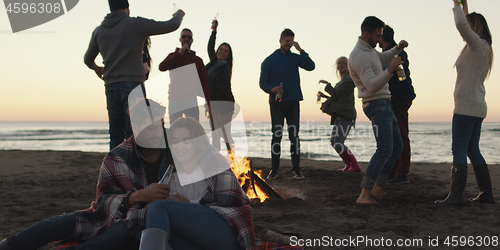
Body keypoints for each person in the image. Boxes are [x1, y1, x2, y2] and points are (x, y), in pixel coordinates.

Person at [0, 99, 170, 250]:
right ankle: (11, 245)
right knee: (63, 222)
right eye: (150, 128)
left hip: (145, 223)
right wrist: (137, 197)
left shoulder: (176, 151)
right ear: (135, 127)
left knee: (127, 229)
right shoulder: (117, 156)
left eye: (159, 126)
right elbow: (103, 201)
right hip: (112, 216)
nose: (157, 133)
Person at [138, 117, 254, 250]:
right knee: (149, 230)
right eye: (175, 141)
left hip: (226, 233)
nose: (180, 146)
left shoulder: (212, 161)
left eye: (186, 141)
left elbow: (231, 198)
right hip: (198, 239)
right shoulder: (171, 175)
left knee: (158, 208)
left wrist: (189, 206)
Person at [84, 0, 184, 150]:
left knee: (115, 135)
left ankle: (115, 170)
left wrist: (97, 68)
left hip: (111, 87)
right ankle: (135, 171)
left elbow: (87, 59)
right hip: (133, 86)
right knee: (136, 133)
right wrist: (179, 14)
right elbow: (171, 25)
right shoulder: (135, 24)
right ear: (127, 8)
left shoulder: (99, 31)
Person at [436, 0, 495, 205]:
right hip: (476, 106)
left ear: (475, 28)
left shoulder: (478, 45)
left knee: (459, 150)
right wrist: (464, 6)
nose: (465, 31)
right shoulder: (479, 47)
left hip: (467, 106)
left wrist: (456, 5)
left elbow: (462, 25)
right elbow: (465, 24)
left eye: (470, 27)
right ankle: (486, 194)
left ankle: (455, 196)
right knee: (472, 150)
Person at [348, 16, 408, 204]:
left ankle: (378, 186)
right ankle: (365, 194)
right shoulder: (359, 56)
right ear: (366, 34)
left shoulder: (369, 50)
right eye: (377, 35)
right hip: (375, 103)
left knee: (397, 147)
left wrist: (397, 48)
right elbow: (372, 86)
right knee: (384, 148)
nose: (380, 39)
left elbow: (381, 58)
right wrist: (390, 70)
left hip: (384, 102)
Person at [259, 28, 315, 180]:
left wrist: (301, 50)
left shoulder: (296, 58)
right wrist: (271, 88)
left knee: (294, 137)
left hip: (293, 102)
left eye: (291, 41)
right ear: (280, 41)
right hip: (276, 103)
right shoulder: (269, 60)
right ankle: (274, 170)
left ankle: (296, 170)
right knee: (276, 136)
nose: (289, 44)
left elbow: (311, 66)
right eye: (286, 41)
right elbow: (262, 83)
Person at [379, 25, 416, 184]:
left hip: (399, 99)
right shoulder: (389, 53)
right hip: (395, 99)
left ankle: (402, 173)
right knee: (394, 136)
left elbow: (395, 76)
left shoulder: (397, 53)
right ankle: (394, 171)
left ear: (381, 37)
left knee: (400, 136)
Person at [158, 29, 211, 124]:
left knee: (194, 129)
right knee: (174, 128)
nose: (186, 39)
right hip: (175, 99)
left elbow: (204, 82)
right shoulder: (173, 56)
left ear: (192, 40)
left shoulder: (197, 60)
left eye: (189, 37)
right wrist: (179, 54)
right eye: (184, 37)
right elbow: (162, 67)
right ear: (180, 39)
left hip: (191, 100)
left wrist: (208, 102)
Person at [318, 56, 360, 172]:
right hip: (340, 116)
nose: (341, 65)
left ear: (348, 67)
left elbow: (336, 94)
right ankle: (348, 164)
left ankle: (355, 165)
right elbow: (339, 97)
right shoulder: (342, 82)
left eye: (344, 64)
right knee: (334, 141)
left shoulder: (348, 81)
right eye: (339, 63)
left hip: (346, 116)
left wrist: (327, 85)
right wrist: (325, 96)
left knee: (338, 142)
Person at [206, 19, 236, 152]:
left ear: (228, 56)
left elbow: (220, 87)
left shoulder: (225, 67)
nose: (222, 52)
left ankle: (233, 160)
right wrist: (214, 30)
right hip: (213, 103)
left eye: (226, 52)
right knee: (215, 135)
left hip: (224, 104)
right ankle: (216, 161)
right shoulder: (213, 63)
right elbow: (210, 47)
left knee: (225, 134)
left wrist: (210, 104)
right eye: (221, 49)